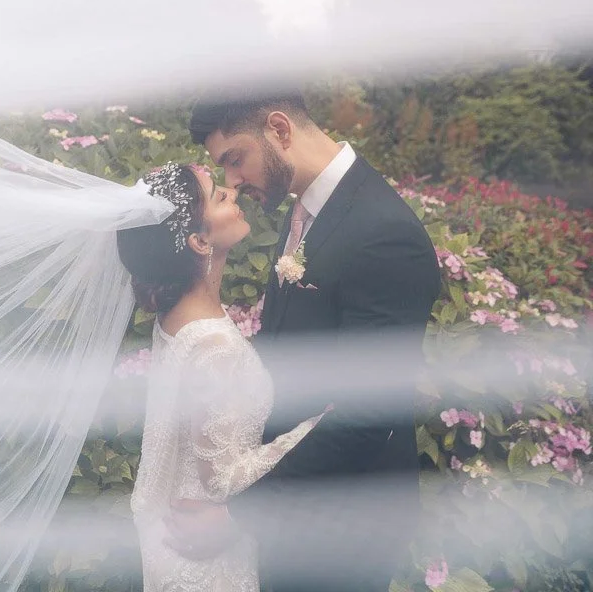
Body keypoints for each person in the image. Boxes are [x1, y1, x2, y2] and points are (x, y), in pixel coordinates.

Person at [162, 91, 442, 591]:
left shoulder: (382, 232)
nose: (232, 181)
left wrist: (238, 516)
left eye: (235, 159)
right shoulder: (309, 211)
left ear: (279, 130)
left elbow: (369, 414)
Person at [117, 161, 329, 592]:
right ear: (198, 240)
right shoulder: (212, 345)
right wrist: (312, 428)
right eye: (218, 196)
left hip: (179, 531)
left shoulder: (176, 319)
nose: (233, 193)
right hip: (207, 549)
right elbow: (222, 479)